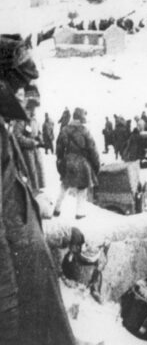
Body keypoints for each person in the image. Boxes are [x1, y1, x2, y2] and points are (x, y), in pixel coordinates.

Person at [0, 34, 75, 344]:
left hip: (27, 274)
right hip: (15, 283)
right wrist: (7, 302)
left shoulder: (5, 130)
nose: (23, 93)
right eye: (18, 84)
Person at [54, 107, 100, 219]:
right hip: (82, 163)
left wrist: (60, 161)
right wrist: (96, 165)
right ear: (81, 118)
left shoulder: (64, 129)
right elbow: (93, 150)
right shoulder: (85, 131)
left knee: (64, 185)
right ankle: (79, 213)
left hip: (68, 161)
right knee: (82, 188)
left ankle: (57, 208)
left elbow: (59, 148)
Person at [12, 97, 45, 194]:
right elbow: (17, 136)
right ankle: (30, 191)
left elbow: (38, 132)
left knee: (37, 170)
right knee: (29, 171)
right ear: (29, 108)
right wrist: (31, 142)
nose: (34, 110)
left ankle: (36, 189)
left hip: (35, 150)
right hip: (26, 151)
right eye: (33, 108)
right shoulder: (22, 120)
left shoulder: (35, 120)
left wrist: (40, 138)